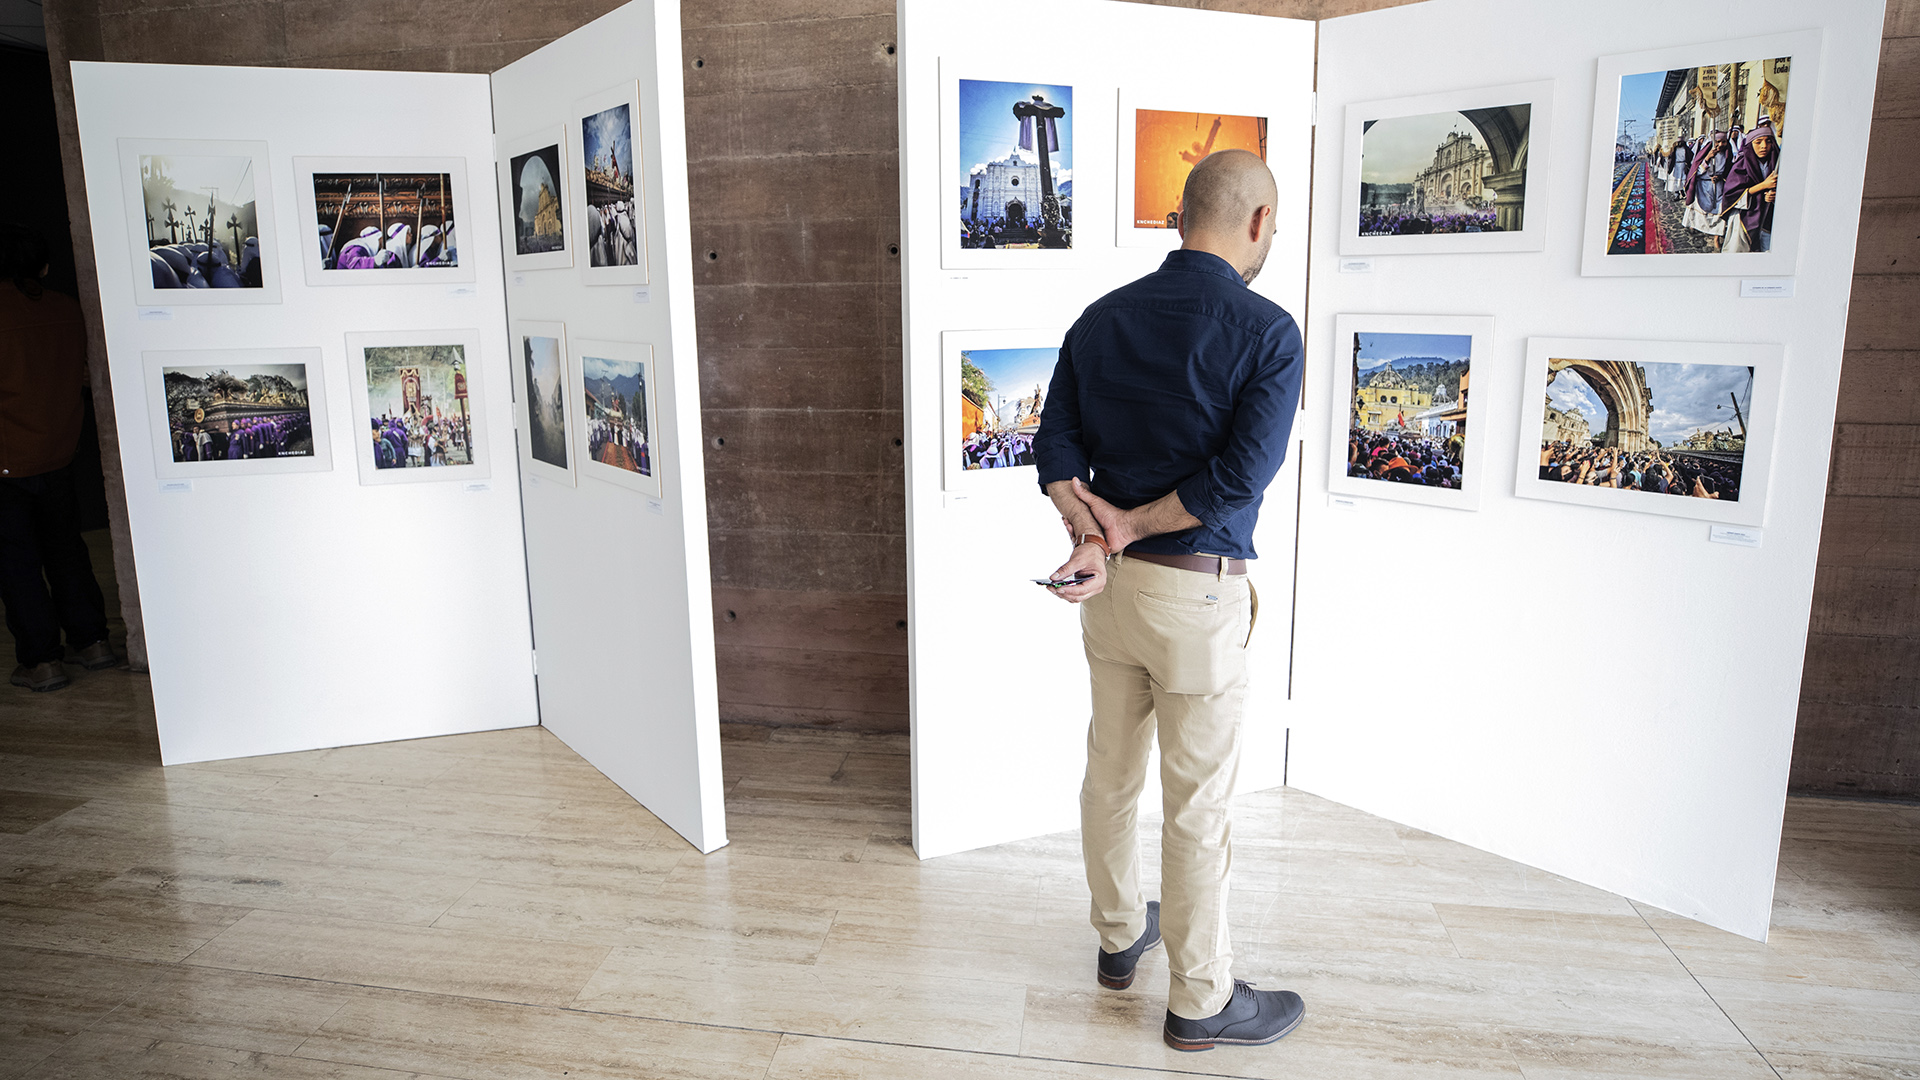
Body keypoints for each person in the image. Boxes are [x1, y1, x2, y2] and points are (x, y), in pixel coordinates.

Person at [1033, 149, 1306, 1053]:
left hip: (1107, 598)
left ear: (1176, 217)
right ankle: (1199, 1000)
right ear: (1258, 222)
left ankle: (1118, 940)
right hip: (1196, 600)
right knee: (1196, 806)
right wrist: (1134, 528)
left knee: (1110, 774)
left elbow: (1055, 454)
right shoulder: (1269, 333)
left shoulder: (1101, 318)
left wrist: (1097, 532)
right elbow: (1235, 481)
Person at [0, 224, 115, 692]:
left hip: (7, 459)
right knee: (67, 550)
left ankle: (43, 661)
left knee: (18, 562)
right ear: (44, 266)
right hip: (60, 451)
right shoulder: (69, 310)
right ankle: (93, 643)